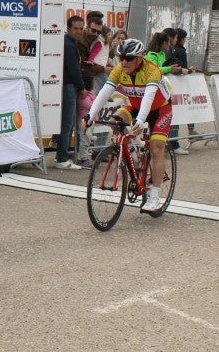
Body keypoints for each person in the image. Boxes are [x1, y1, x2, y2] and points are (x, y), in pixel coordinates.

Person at [83, 37, 172, 213]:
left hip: (160, 109)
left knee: (156, 148)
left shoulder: (151, 70)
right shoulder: (119, 70)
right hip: (135, 105)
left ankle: (154, 197)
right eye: (121, 57)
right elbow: (103, 93)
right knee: (116, 121)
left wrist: (140, 121)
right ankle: (133, 150)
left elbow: (149, 97)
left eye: (129, 58)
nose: (124, 61)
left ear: (139, 58)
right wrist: (90, 115)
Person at [55, 15, 90, 169]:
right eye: (75, 28)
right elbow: (73, 68)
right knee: (67, 123)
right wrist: (81, 87)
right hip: (68, 85)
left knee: (66, 123)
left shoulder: (70, 42)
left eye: (81, 29)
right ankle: (62, 158)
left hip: (68, 84)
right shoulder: (68, 44)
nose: (78, 31)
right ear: (68, 28)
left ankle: (61, 155)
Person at [74, 12, 106, 167]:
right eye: (93, 30)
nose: (95, 34)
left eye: (98, 32)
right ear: (87, 27)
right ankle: (80, 155)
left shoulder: (96, 43)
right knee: (83, 126)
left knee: (83, 126)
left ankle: (78, 154)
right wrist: (103, 69)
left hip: (86, 87)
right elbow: (81, 66)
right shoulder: (80, 42)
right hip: (80, 87)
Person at [167, 27, 194, 155]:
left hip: (171, 86)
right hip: (173, 87)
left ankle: (172, 142)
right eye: (176, 37)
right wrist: (184, 70)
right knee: (175, 115)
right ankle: (173, 143)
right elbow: (176, 66)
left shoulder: (171, 50)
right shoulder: (173, 51)